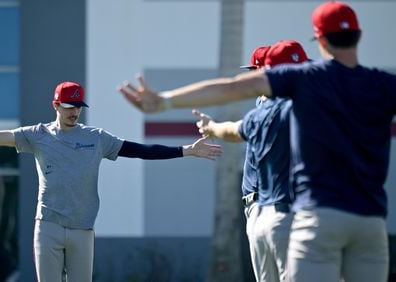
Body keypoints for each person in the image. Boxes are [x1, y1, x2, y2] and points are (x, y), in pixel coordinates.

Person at [117, 2, 396, 281]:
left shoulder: (305, 80)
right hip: (371, 221)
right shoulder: (384, 84)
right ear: (359, 36)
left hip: (319, 215)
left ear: (320, 39)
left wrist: (166, 102)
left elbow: (235, 87)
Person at [0, 81, 223, 282]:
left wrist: (186, 151)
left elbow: (139, 150)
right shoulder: (37, 136)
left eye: (79, 107)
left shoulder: (97, 138)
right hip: (47, 227)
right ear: (56, 106)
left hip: (82, 231)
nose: (75, 112)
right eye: (69, 106)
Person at [193, 40, 307, 282]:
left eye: (256, 72)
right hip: (259, 207)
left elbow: (234, 130)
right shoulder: (263, 108)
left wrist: (211, 127)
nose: (253, 79)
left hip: (278, 207)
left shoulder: (283, 107)